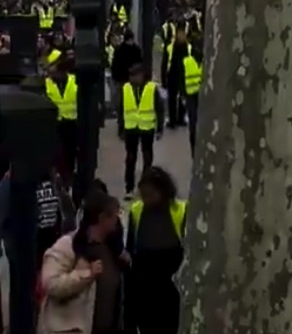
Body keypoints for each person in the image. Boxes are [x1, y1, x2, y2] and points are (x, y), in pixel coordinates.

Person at [38, 190, 123, 334]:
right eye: (114, 215)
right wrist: (85, 274)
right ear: (102, 218)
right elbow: (51, 284)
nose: (117, 219)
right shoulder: (68, 245)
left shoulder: (111, 247)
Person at [124, 166, 186, 334]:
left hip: (169, 289)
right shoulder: (137, 210)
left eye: (150, 195)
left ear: (163, 191)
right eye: (143, 195)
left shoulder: (180, 211)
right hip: (144, 289)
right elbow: (131, 249)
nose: (146, 199)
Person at [118, 64, 164, 200]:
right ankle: (129, 188)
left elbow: (159, 109)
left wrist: (159, 128)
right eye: (131, 75)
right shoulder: (125, 89)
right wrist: (120, 128)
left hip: (146, 127)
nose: (133, 78)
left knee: (147, 158)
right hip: (131, 127)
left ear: (142, 75)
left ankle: (145, 185)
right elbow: (121, 109)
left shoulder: (152, 88)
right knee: (130, 158)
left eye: (136, 75)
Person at [45, 56, 77, 182]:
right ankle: (60, 174)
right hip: (55, 123)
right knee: (58, 151)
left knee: (71, 151)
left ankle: (69, 173)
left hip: (71, 121)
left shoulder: (74, 81)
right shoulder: (47, 83)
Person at [182, 47, 202, 155]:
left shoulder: (206, 61)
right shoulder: (187, 62)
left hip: (203, 98)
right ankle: (194, 151)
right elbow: (181, 77)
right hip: (191, 96)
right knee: (193, 123)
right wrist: (182, 94)